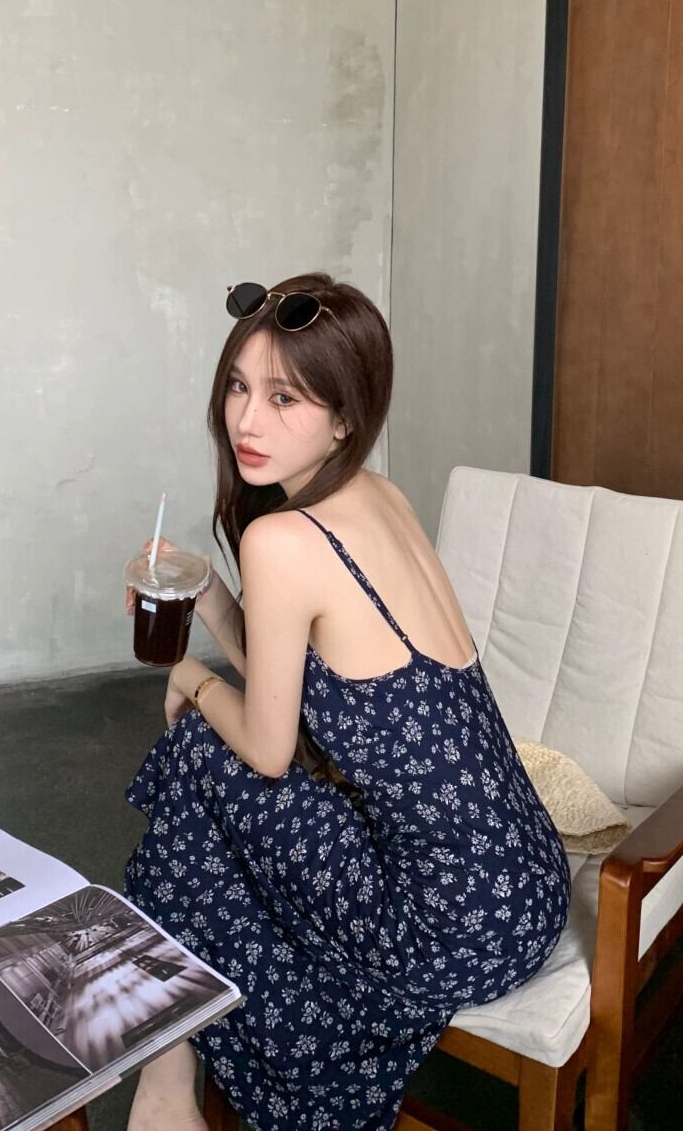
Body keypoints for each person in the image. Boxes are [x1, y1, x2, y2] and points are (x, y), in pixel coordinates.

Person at [123, 272, 571, 1131]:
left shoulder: (281, 539)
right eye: (238, 387)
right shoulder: (377, 495)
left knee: (197, 756)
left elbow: (268, 749)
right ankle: (168, 1070)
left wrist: (194, 679)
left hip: (450, 931)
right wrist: (206, 590)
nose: (247, 421)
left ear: (343, 418)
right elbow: (300, 682)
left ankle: (168, 1075)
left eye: (284, 397)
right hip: (525, 886)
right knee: (207, 793)